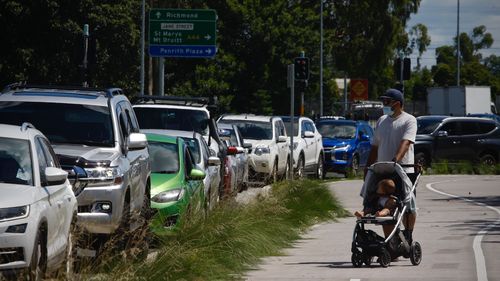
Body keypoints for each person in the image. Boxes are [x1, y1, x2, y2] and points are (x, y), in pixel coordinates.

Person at [364, 88, 417, 243]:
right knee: (382, 202)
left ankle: (408, 233)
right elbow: (375, 147)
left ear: (398, 104)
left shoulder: (409, 120)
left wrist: (396, 160)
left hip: (403, 170)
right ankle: (391, 241)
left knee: (407, 206)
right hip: (382, 170)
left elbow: (406, 143)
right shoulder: (382, 121)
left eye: (387, 101)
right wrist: (368, 168)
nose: (384, 104)